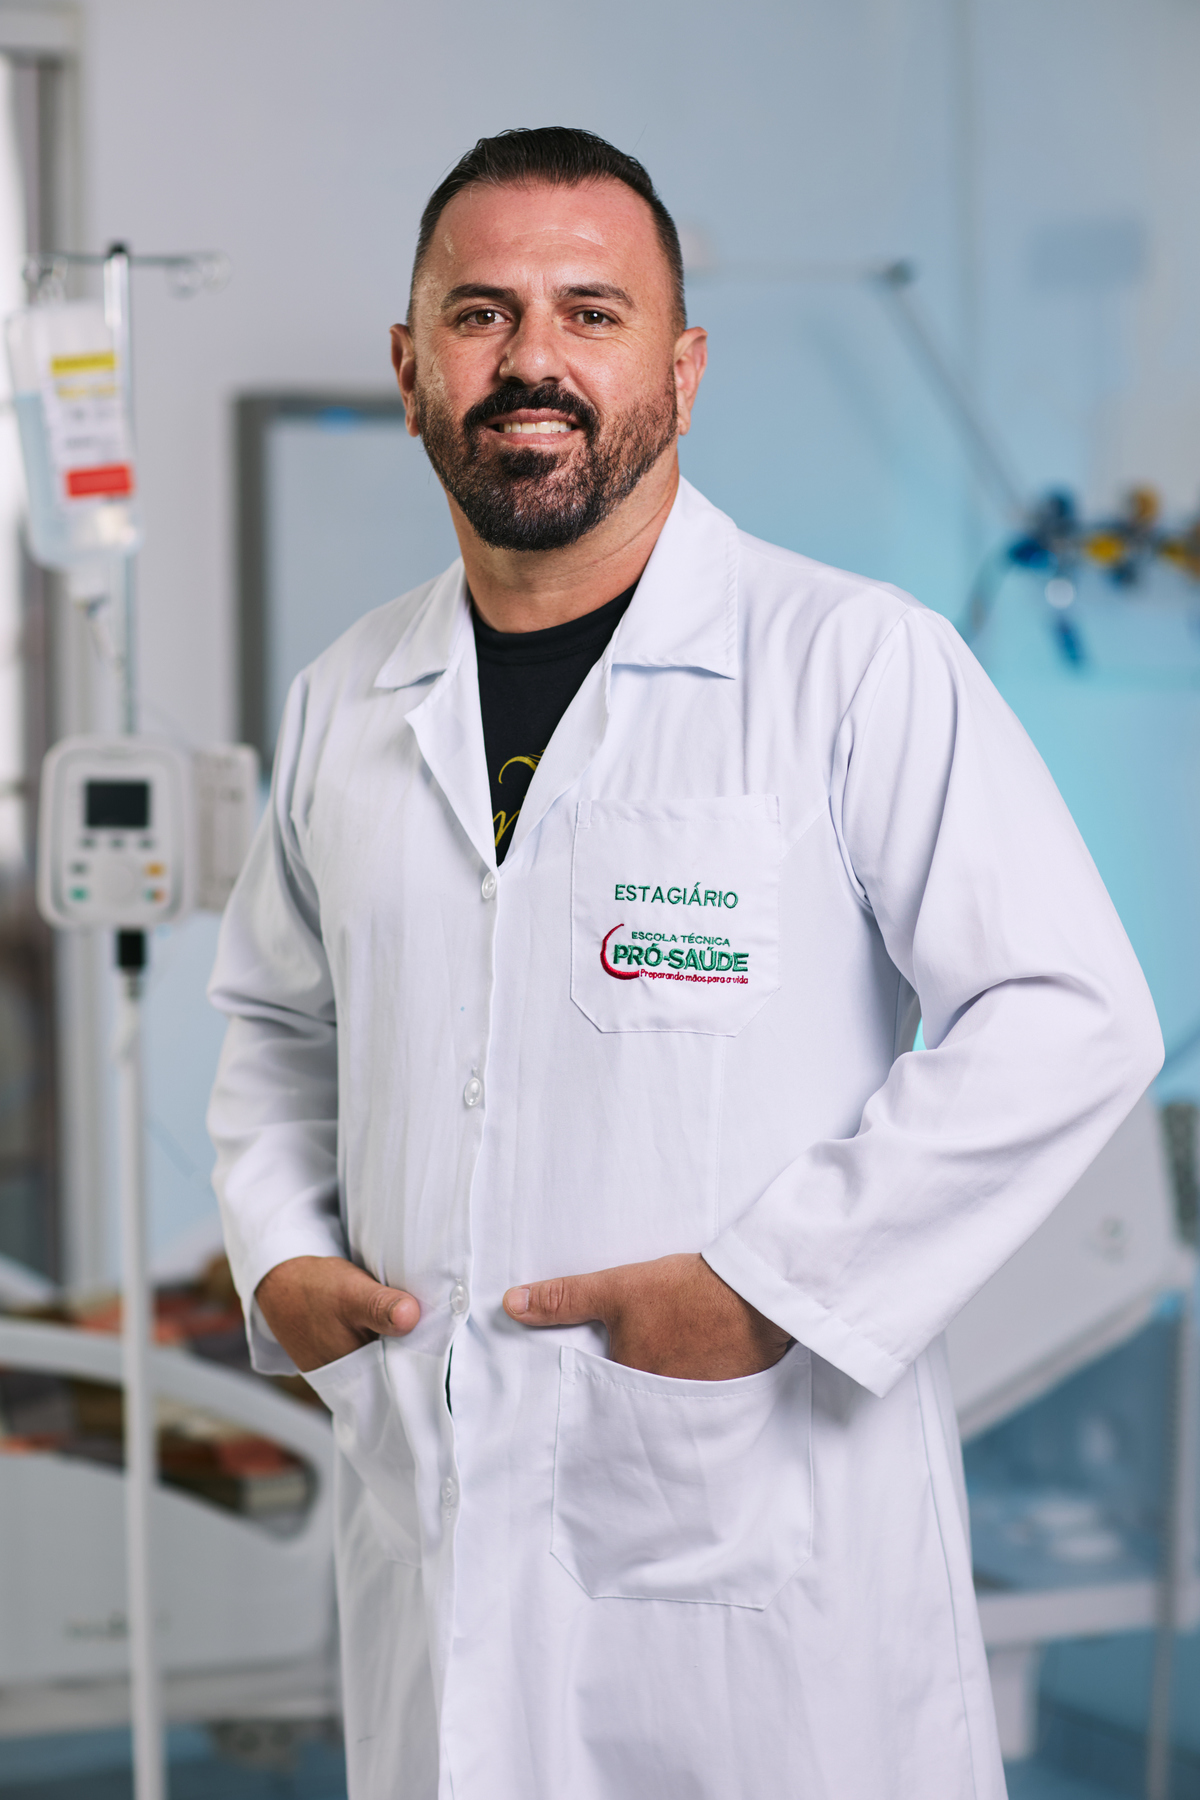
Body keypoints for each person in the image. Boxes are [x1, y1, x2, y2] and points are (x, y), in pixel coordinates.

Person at [207, 127, 1162, 1800]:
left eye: (593, 313)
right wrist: (283, 1260)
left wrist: (770, 1288)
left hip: (762, 1574)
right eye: (483, 314)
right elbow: (280, 1026)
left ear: (682, 368)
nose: (534, 362)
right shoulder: (345, 698)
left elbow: (1069, 1015)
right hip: (439, 1530)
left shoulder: (853, 666)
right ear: (411, 368)